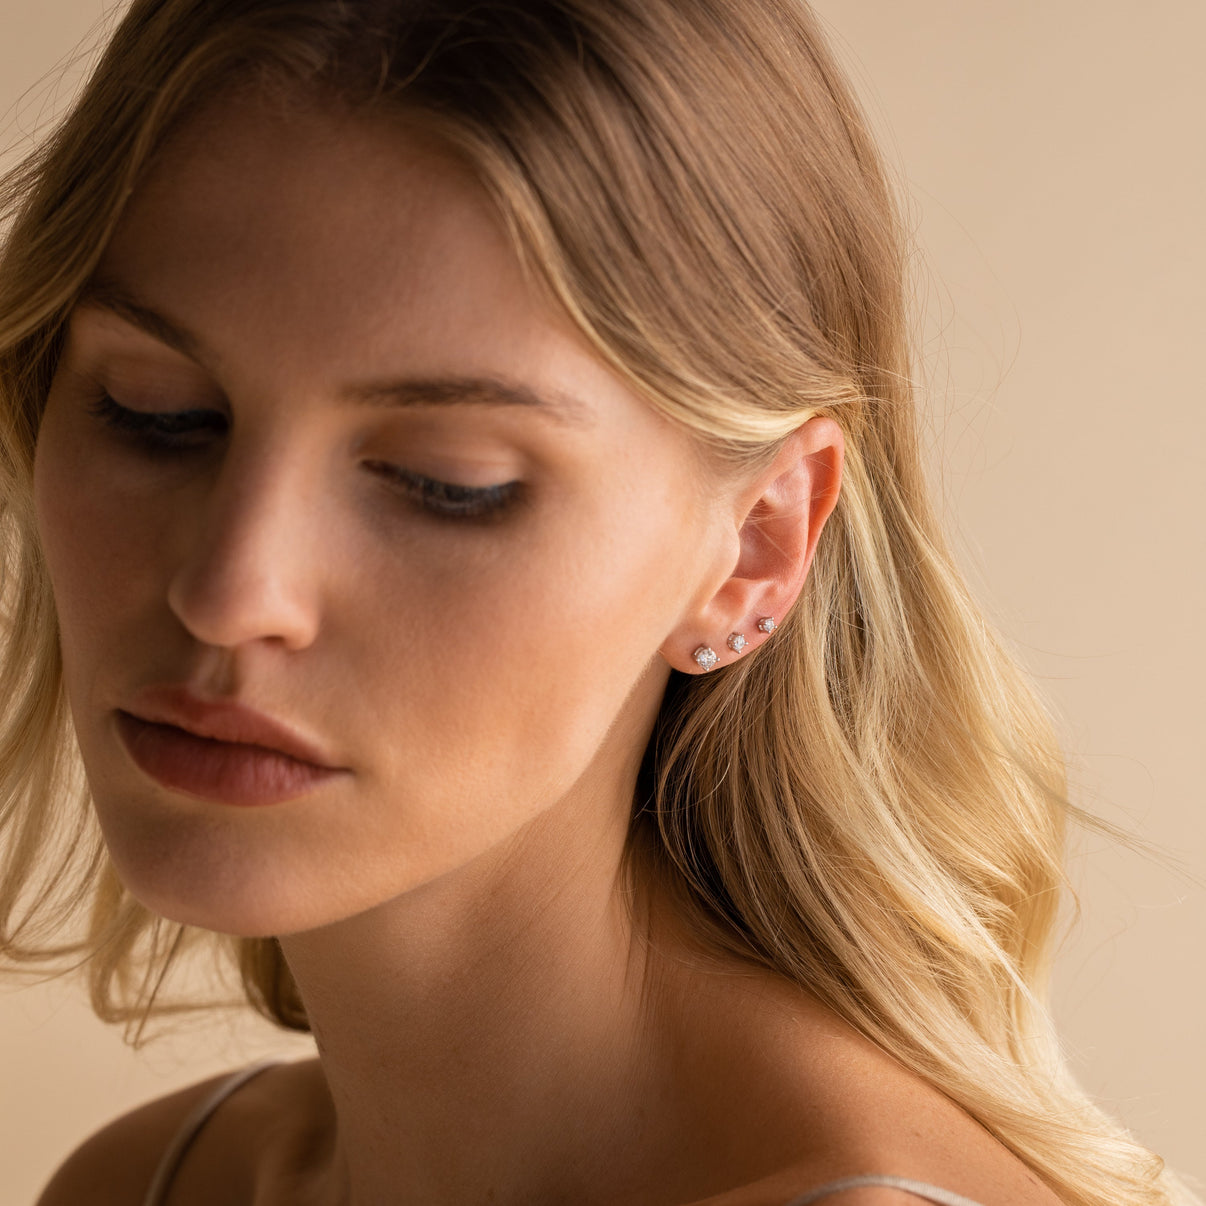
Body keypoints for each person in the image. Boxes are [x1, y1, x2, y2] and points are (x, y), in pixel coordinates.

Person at [0, 1, 1194, 1203]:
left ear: (756, 548)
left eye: (446, 483)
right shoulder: (152, 1181)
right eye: (157, 414)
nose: (229, 592)